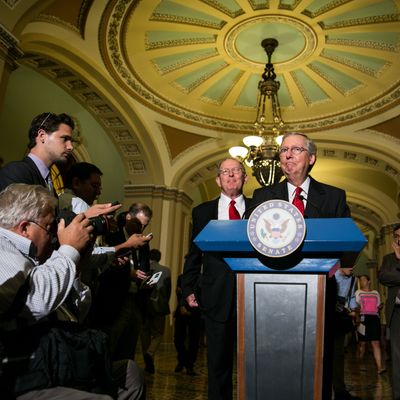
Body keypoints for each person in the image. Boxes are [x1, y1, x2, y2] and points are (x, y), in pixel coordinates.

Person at [0, 183, 145, 400]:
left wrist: (77, 261)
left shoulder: (35, 255)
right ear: (25, 228)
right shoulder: (4, 250)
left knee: (130, 374)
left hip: (51, 355)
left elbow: (77, 312)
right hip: (20, 369)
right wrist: (69, 249)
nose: (52, 238)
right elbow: (36, 301)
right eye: (49, 228)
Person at [247, 132, 355, 400]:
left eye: (296, 149)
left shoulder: (332, 197)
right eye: (284, 150)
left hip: (320, 293)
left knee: (320, 359)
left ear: (312, 158)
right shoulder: (262, 196)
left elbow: (347, 243)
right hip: (270, 292)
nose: (287, 154)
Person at [182, 157, 250, 400]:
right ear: (218, 179)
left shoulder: (258, 208)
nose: (231, 176)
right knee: (218, 364)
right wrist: (187, 287)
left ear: (245, 177)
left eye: (236, 171)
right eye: (225, 172)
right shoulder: (203, 212)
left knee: (251, 363)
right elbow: (194, 253)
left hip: (252, 295)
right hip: (215, 295)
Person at [0, 112, 120, 219]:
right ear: (42, 136)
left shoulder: (49, 181)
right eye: (64, 139)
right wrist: (84, 215)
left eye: (71, 141)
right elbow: (20, 223)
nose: (70, 147)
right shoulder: (16, 172)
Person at [94, 203, 153, 361]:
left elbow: (145, 268)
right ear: (128, 217)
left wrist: (145, 280)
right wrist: (130, 274)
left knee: (128, 351)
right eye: (138, 224)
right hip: (115, 301)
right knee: (110, 347)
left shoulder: (144, 244)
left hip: (136, 301)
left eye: (144, 226)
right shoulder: (113, 237)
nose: (141, 229)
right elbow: (103, 267)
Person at [140, 249, 171, 374]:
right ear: (159, 257)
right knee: (158, 333)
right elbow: (168, 290)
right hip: (159, 306)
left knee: (144, 334)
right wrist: (165, 302)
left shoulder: (144, 268)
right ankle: (150, 353)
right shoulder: (166, 270)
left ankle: (147, 361)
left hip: (144, 306)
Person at [378, 223, 400, 400]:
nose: (399, 239)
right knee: (397, 357)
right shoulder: (388, 258)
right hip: (396, 313)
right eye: (396, 236)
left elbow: (393, 277)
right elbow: (384, 277)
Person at [333, 267, 360, 400]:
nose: (352, 268)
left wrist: (354, 311)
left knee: (338, 354)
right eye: (349, 264)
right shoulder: (331, 275)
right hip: (323, 315)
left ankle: (339, 391)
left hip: (339, 317)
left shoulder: (353, 279)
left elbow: (352, 296)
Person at [355, 274, 385, 374]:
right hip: (363, 319)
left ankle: (379, 367)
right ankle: (360, 362)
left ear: (369, 281)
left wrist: (380, 306)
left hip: (374, 318)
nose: (362, 281)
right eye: (360, 280)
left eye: (364, 279)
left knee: (376, 343)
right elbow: (356, 306)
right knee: (362, 344)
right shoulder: (358, 292)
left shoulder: (375, 292)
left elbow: (378, 306)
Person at [174, 272, 202, 376]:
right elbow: (178, 292)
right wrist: (181, 306)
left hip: (196, 312)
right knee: (178, 339)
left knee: (194, 340)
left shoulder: (202, 278)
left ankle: (189, 365)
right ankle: (182, 360)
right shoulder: (181, 277)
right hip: (181, 311)